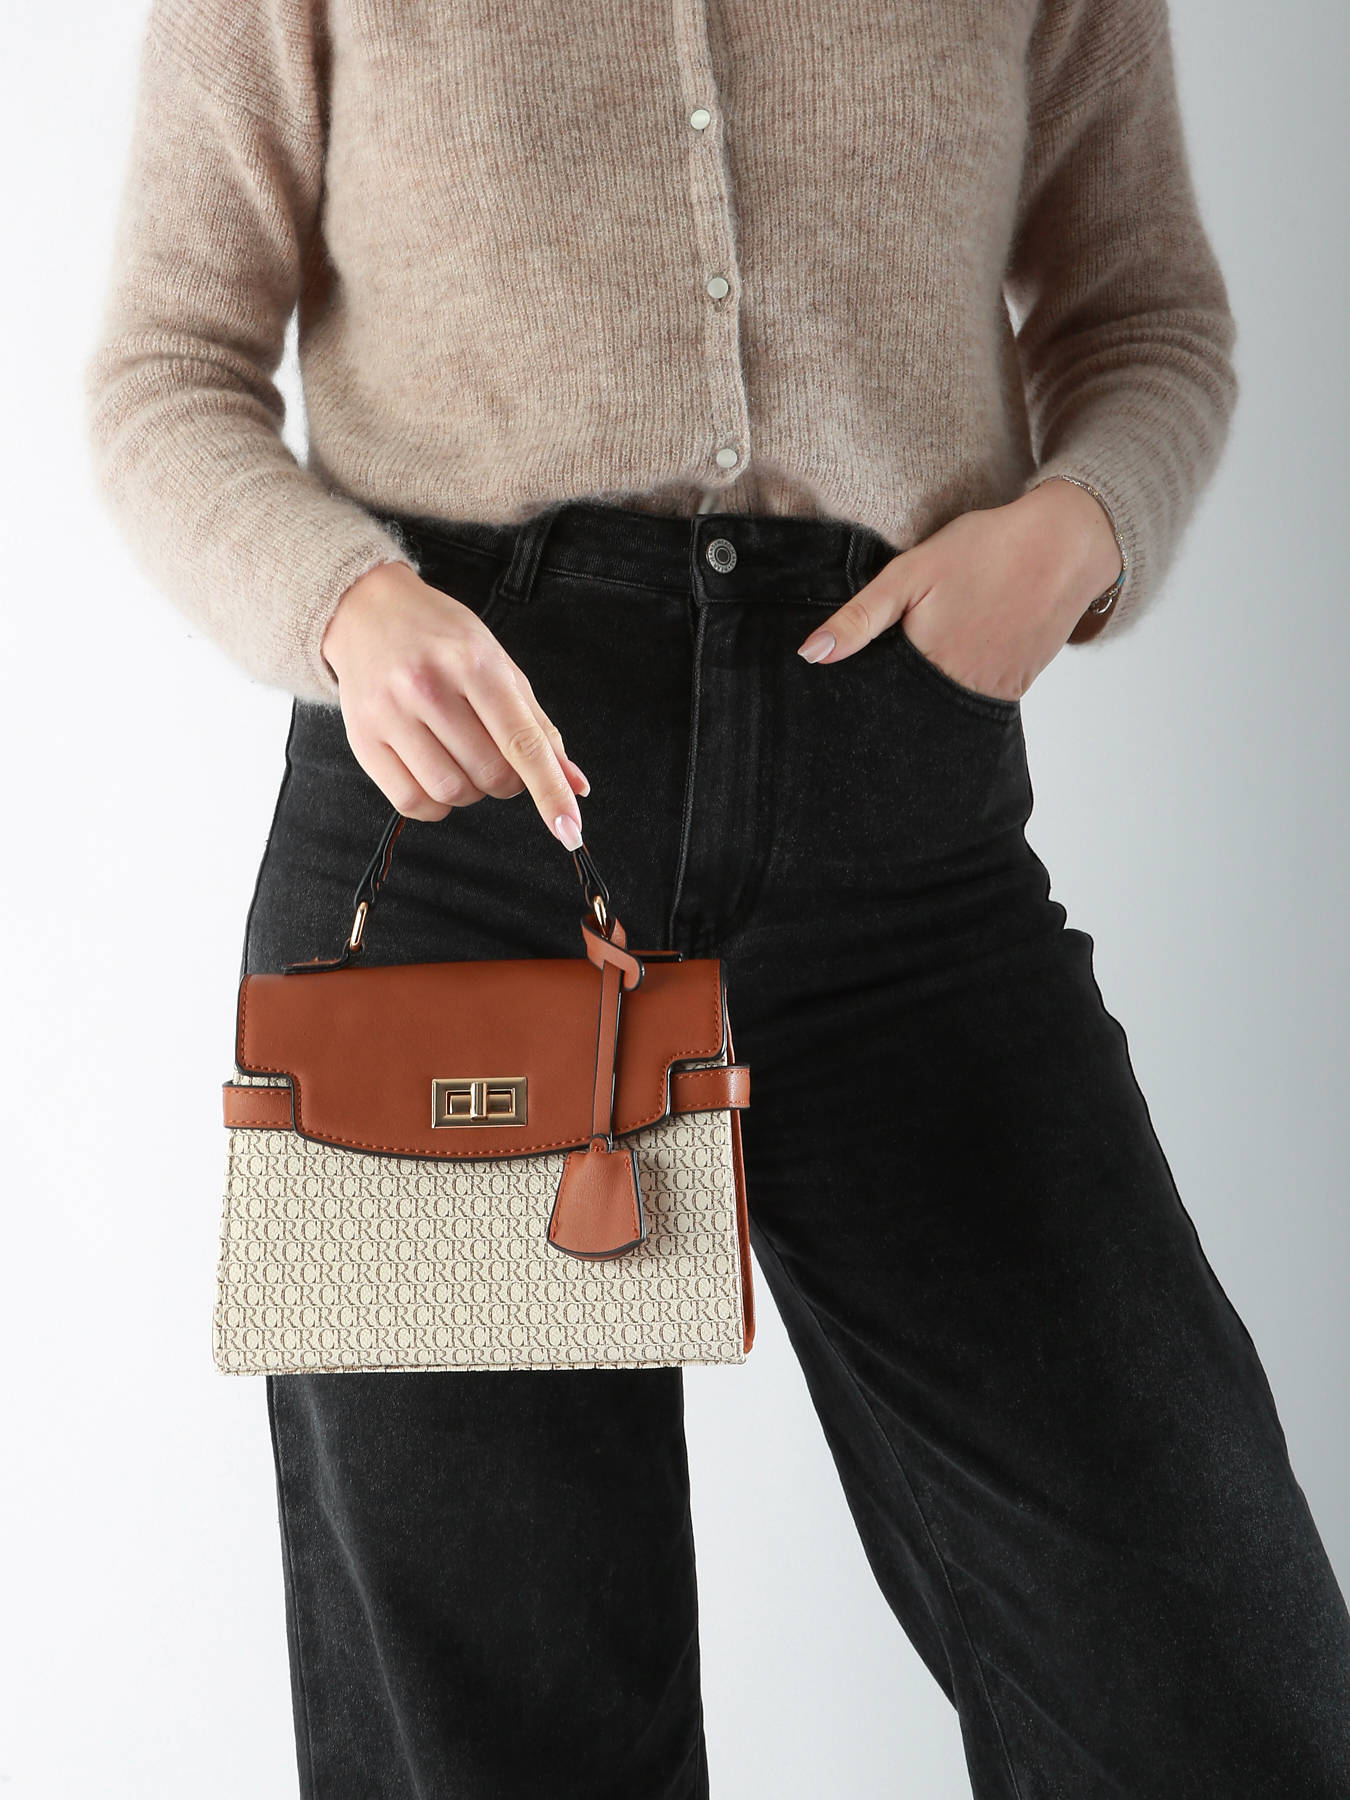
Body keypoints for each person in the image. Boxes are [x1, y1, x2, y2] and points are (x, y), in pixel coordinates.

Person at [84, 1, 1350, 1795]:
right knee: (508, 1742)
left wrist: (1075, 531)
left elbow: (1143, 317)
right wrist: (342, 607)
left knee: (1218, 1682)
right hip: (462, 861)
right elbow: (165, 365)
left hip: (905, 862)